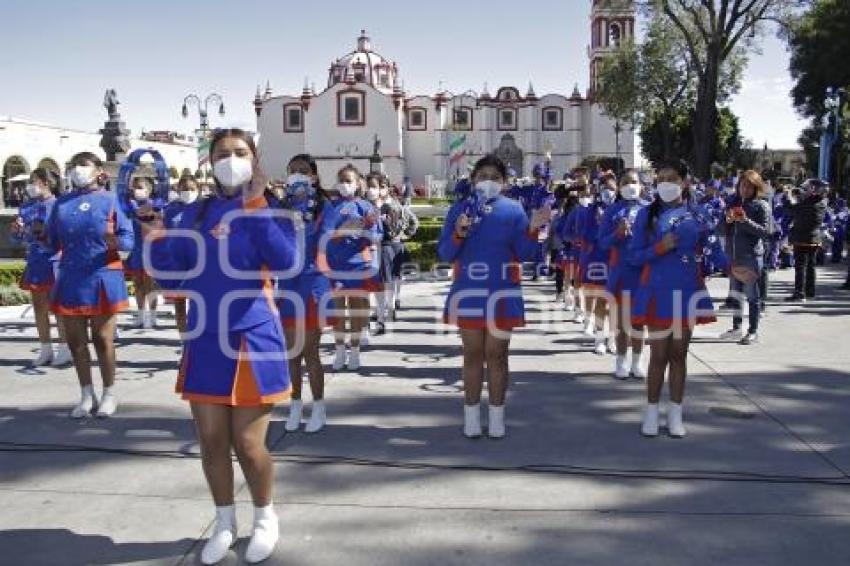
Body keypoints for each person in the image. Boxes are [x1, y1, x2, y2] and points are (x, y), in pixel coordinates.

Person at [144, 128, 297, 565]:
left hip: (252, 339)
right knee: (211, 441)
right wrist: (156, 237)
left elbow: (285, 262)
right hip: (205, 339)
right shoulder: (193, 216)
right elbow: (172, 279)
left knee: (248, 445)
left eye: (240, 152)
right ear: (209, 163)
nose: (231, 160)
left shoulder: (269, 209)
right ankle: (224, 522)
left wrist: (255, 203)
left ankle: (265, 518)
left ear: (255, 158)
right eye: (222, 154)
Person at [437, 154, 550, 439]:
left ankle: (497, 416)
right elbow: (445, 253)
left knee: (497, 355)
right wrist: (459, 233)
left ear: (504, 182)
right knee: (472, 355)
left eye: (495, 178)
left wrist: (535, 228)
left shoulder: (513, 210)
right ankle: (472, 416)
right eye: (483, 176)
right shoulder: (460, 209)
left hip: (502, 291)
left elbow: (525, 254)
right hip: (468, 291)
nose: (488, 182)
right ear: (473, 179)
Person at [628, 165, 727, 438]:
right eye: (660, 180)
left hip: (686, 291)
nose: (665, 184)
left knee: (679, 355)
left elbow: (713, 250)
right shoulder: (646, 214)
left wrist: (732, 267)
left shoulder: (699, 214)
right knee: (658, 355)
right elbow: (633, 256)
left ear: (684, 182)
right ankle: (651, 413)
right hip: (657, 292)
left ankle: (675, 413)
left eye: (672, 179)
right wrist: (660, 248)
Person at [45, 152, 134, 418]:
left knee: (103, 339)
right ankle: (86, 394)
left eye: (84, 166)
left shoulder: (111, 201)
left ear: (98, 171)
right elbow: (50, 242)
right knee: (75, 341)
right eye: (74, 166)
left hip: (102, 275)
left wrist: (114, 241)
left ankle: (109, 393)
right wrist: (31, 232)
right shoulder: (61, 204)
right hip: (71, 277)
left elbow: (128, 240)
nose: (78, 170)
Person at [279, 154, 333, 434]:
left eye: (303, 171)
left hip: (312, 285)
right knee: (291, 353)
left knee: (310, 351)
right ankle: (295, 405)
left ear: (313, 176)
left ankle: (319, 408)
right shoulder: (280, 207)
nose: (297, 175)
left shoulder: (326, 207)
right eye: (292, 171)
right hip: (288, 285)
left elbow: (325, 244)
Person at [11, 168, 71, 367]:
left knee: (58, 308)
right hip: (36, 261)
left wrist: (47, 235)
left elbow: (67, 234)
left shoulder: (60, 205)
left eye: (34, 181)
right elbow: (20, 239)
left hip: (55, 261)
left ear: (46, 182)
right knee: (39, 307)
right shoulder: (27, 207)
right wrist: (18, 231)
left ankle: (64, 347)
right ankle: (45, 347)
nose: (31, 185)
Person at [323, 165, 381, 371]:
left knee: (356, 310)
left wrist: (367, 228)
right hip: (335, 265)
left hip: (358, 265)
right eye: (341, 180)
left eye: (349, 180)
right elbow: (327, 232)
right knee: (338, 311)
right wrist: (343, 231)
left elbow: (376, 236)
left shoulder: (366, 207)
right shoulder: (331, 205)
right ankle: (340, 351)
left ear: (357, 184)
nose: (345, 184)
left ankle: (354, 352)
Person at [598, 171, 646, 378]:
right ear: (619, 187)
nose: (630, 186)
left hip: (642, 272)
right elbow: (603, 242)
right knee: (621, 322)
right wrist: (617, 234)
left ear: (641, 185)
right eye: (625, 182)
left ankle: (637, 362)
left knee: (638, 322)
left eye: (634, 182)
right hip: (620, 272)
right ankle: (621, 361)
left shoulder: (648, 210)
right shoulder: (612, 211)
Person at [719, 171, 771, 344]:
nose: (745, 189)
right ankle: (736, 328)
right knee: (736, 294)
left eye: (749, 186)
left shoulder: (761, 205)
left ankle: (753, 331)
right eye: (742, 185)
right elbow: (719, 230)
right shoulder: (732, 203)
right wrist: (726, 220)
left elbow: (765, 232)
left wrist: (745, 221)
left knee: (752, 296)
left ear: (756, 188)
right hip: (733, 256)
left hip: (750, 257)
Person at [577, 177, 616, 354]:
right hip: (599, 259)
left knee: (616, 304)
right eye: (605, 187)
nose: (609, 191)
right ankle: (599, 338)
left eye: (612, 187)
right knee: (601, 300)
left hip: (619, 260)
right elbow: (585, 235)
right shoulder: (591, 211)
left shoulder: (622, 209)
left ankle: (613, 338)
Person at [162, 176, 201, 335]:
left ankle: (196, 342)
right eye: (184, 189)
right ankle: (184, 341)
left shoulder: (204, 209)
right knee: (179, 306)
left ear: (197, 189)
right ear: (178, 190)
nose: (188, 192)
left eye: (192, 189)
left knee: (197, 304)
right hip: (176, 263)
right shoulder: (170, 209)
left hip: (198, 262)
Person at [124, 176, 162, 329]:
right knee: (138, 284)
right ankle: (141, 315)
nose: (136, 190)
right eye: (135, 187)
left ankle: (152, 316)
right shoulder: (130, 207)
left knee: (150, 285)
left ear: (148, 190)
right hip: (136, 251)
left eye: (140, 187)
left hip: (150, 251)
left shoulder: (154, 207)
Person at [783, 179, 829, 302]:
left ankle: (799, 293)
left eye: (808, 188)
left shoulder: (808, 203)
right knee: (811, 266)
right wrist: (802, 195)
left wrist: (787, 194)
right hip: (814, 237)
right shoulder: (822, 202)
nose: (804, 190)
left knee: (800, 266)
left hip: (802, 238)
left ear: (814, 189)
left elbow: (790, 208)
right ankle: (810, 291)